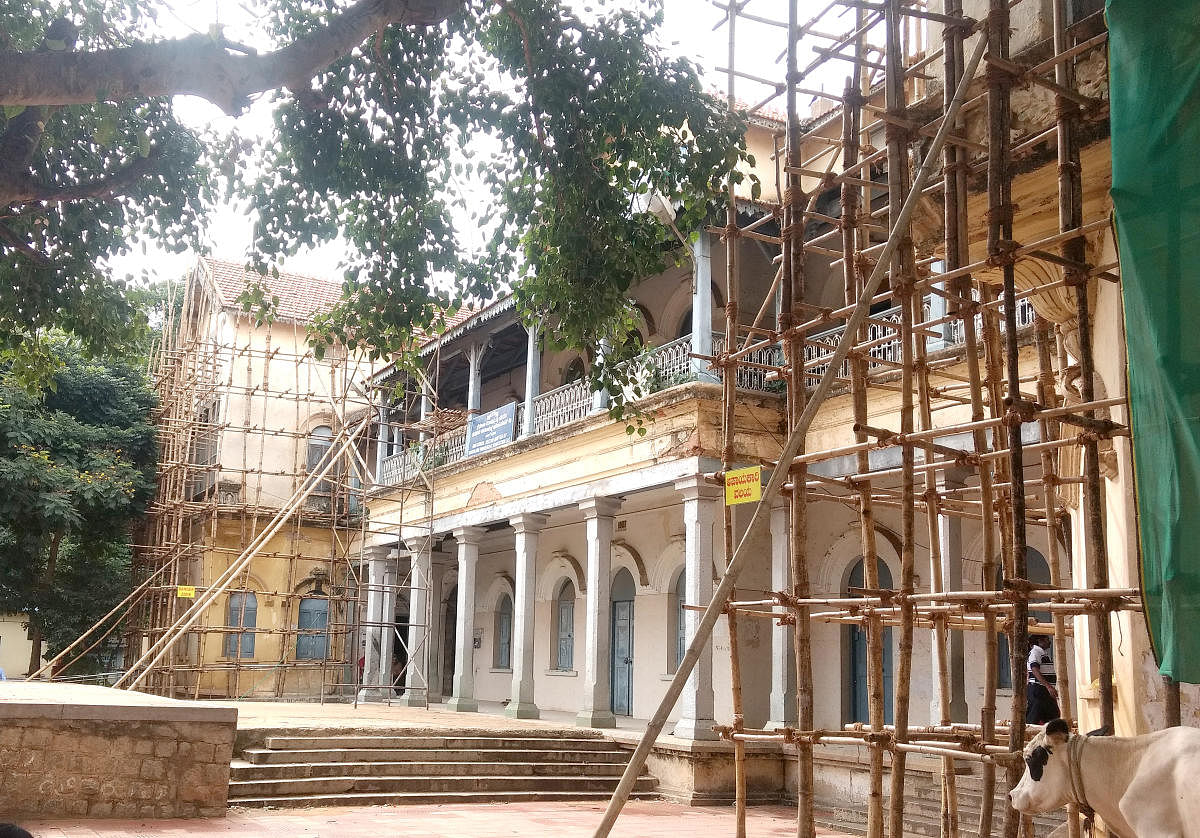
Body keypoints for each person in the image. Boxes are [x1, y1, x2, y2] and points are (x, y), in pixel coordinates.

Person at [1026, 634, 1060, 724]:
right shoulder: (1035, 652)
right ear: (1040, 641)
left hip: (1044, 690)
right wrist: (1049, 687)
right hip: (1039, 690)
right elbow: (1034, 669)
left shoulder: (1041, 652)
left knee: (1053, 717)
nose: (1049, 642)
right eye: (1047, 639)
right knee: (1034, 718)